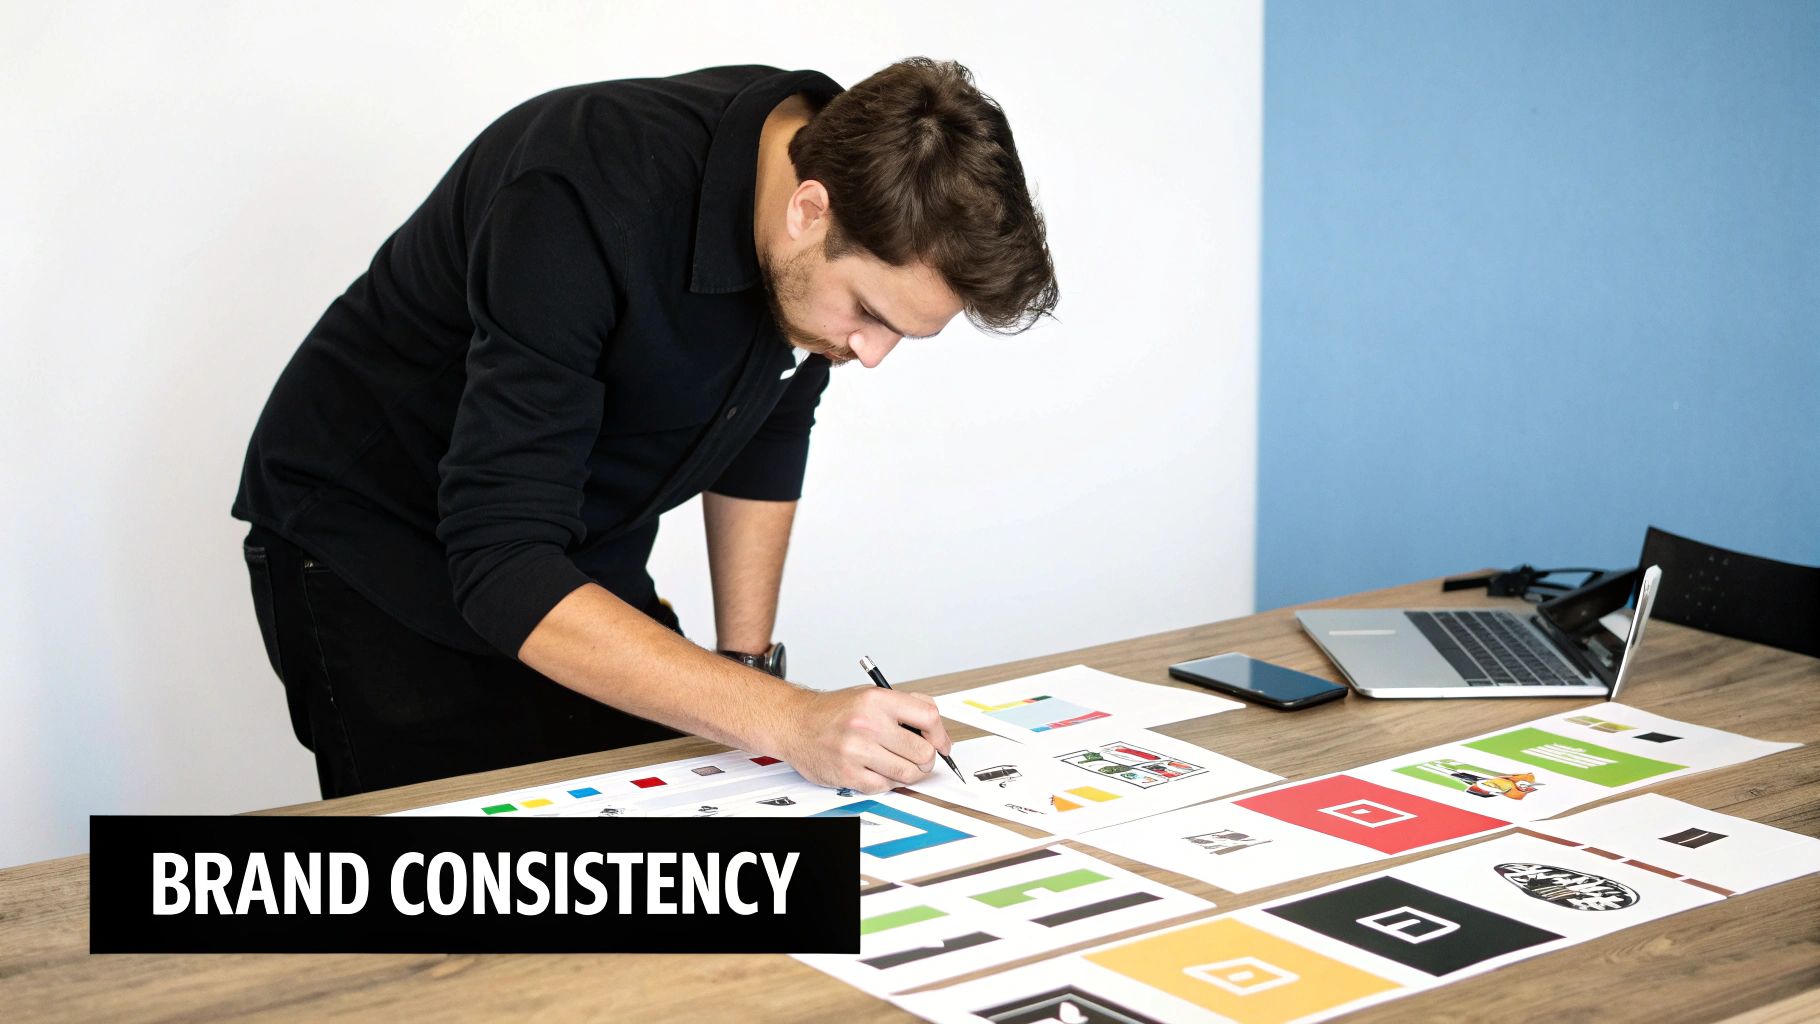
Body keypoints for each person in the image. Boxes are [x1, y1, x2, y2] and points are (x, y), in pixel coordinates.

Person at [232, 58, 1059, 799]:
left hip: (564, 554)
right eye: (870, 316)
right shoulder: (580, 191)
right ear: (809, 209)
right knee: (468, 916)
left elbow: (768, 424)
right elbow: (501, 564)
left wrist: (747, 673)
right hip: (373, 541)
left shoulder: (840, 188)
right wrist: (785, 717)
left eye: (902, 336)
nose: (870, 355)